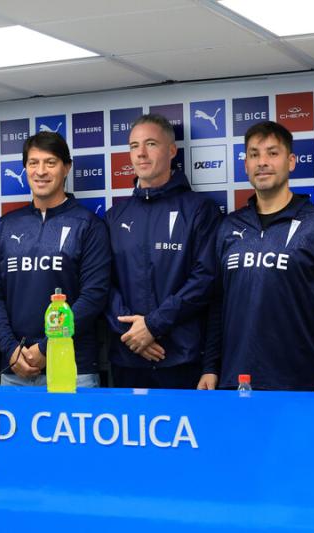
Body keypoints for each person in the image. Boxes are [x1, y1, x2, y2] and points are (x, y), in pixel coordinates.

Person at [211, 121, 314, 391]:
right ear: (245, 165)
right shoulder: (228, 227)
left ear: (291, 161)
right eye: (254, 154)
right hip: (237, 383)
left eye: (272, 153)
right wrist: (210, 367)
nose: (262, 162)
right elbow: (217, 305)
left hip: (304, 383)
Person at [0, 132, 110, 386]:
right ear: (25, 169)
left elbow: (94, 295)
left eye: (50, 162)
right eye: (33, 163)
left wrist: (46, 347)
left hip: (73, 368)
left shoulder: (89, 225)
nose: (41, 171)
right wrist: (10, 348)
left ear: (66, 168)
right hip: (14, 369)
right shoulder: (5, 226)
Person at [105, 114, 220, 390]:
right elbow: (102, 285)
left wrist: (153, 325)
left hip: (181, 360)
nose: (141, 154)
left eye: (151, 144)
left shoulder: (199, 210)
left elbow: (205, 280)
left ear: (171, 150)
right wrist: (132, 334)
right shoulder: (114, 216)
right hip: (127, 360)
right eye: (134, 146)